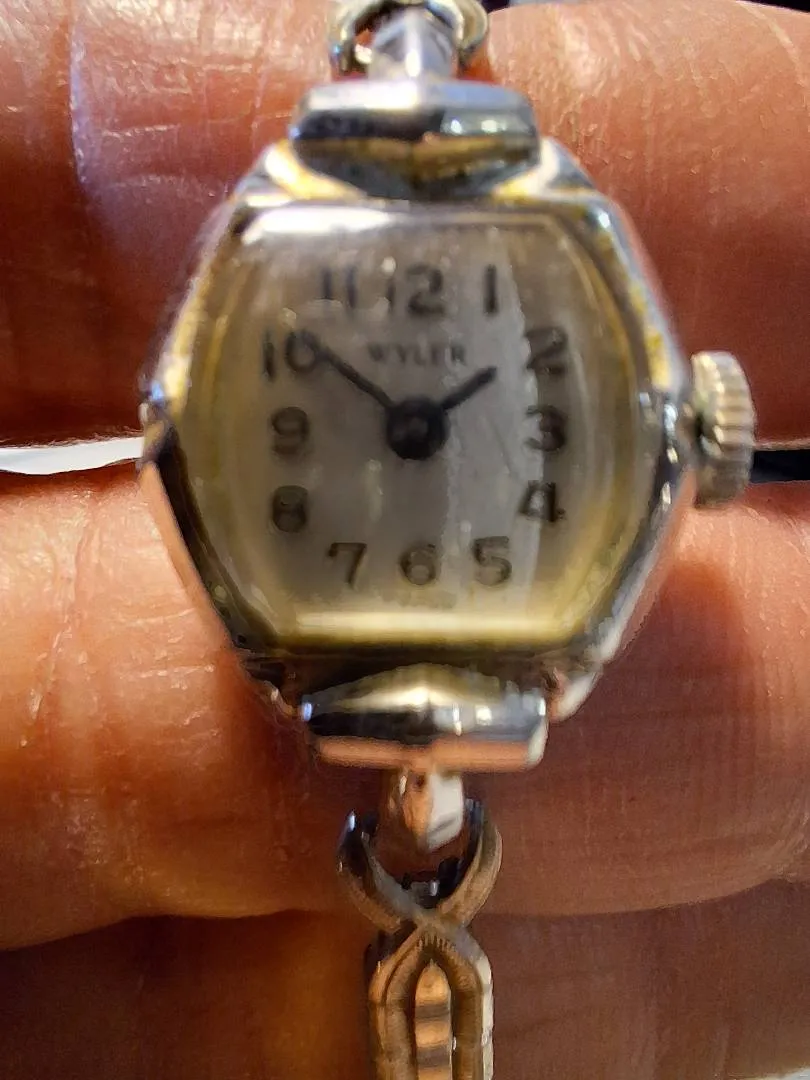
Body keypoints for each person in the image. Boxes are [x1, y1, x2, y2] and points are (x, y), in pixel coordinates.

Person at [0, 0, 809, 1075]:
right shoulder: (510, 225)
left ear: (697, 425)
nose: (413, 428)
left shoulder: (411, 222)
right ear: (711, 427)